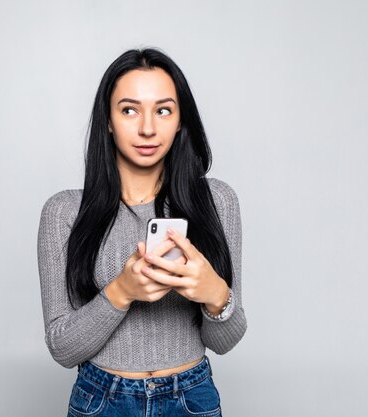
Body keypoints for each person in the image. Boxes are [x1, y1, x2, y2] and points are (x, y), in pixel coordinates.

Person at [36, 47, 247, 417]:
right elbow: (62, 348)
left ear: (180, 120)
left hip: (191, 397)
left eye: (163, 110)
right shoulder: (64, 212)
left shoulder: (217, 201)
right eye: (129, 109)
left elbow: (224, 342)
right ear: (108, 120)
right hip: (101, 400)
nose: (147, 127)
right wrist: (121, 292)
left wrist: (215, 294)